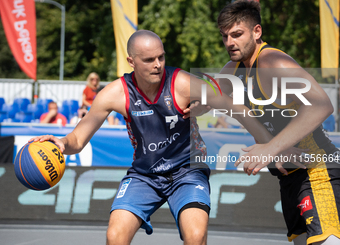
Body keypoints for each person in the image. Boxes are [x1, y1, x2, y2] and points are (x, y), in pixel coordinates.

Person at [30, 30, 275, 245]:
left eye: (161, 57)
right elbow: (78, 138)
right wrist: (62, 143)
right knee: (115, 236)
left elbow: (229, 103)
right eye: (149, 60)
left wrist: (268, 144)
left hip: (188, 171)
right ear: (131, 61)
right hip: (145, 176)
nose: (158, 64)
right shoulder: (114, 93)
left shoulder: (180, 82)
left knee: (196, 236)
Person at [216, 0, 340, 245]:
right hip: (290, 177)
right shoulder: (233, 70)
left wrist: (271, 149)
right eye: (225, 36)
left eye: (237, 34)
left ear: (257, 31)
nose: (230, 42)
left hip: (317, 172)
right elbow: (207, 98)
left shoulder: (272, 62)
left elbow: (321, 105)